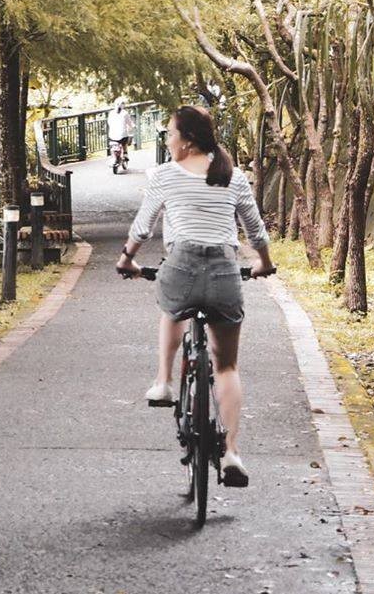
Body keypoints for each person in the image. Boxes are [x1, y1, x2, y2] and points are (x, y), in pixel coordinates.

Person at [116, 104, 275, 488]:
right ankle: (232, 453)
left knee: (171, 307)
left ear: (187, 141)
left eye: (170, 133)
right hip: (224, 271)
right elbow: (256, 232)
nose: (167, 140)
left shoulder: (166, 175)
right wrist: (264, 264)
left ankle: (164, 383)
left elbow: (143, 227)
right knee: (227, 367)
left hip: (182, 265)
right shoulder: (232, 177)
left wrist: (127, 261)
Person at [106, 97, 134, 169]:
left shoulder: (111, 113)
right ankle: (125, 154)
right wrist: (132, 127)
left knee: (112, 144)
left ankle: (113, 156)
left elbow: (109, 123)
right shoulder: (125, 113)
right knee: (124, 143)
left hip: (112, 135)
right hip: (122, 135)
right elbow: (129, 123)